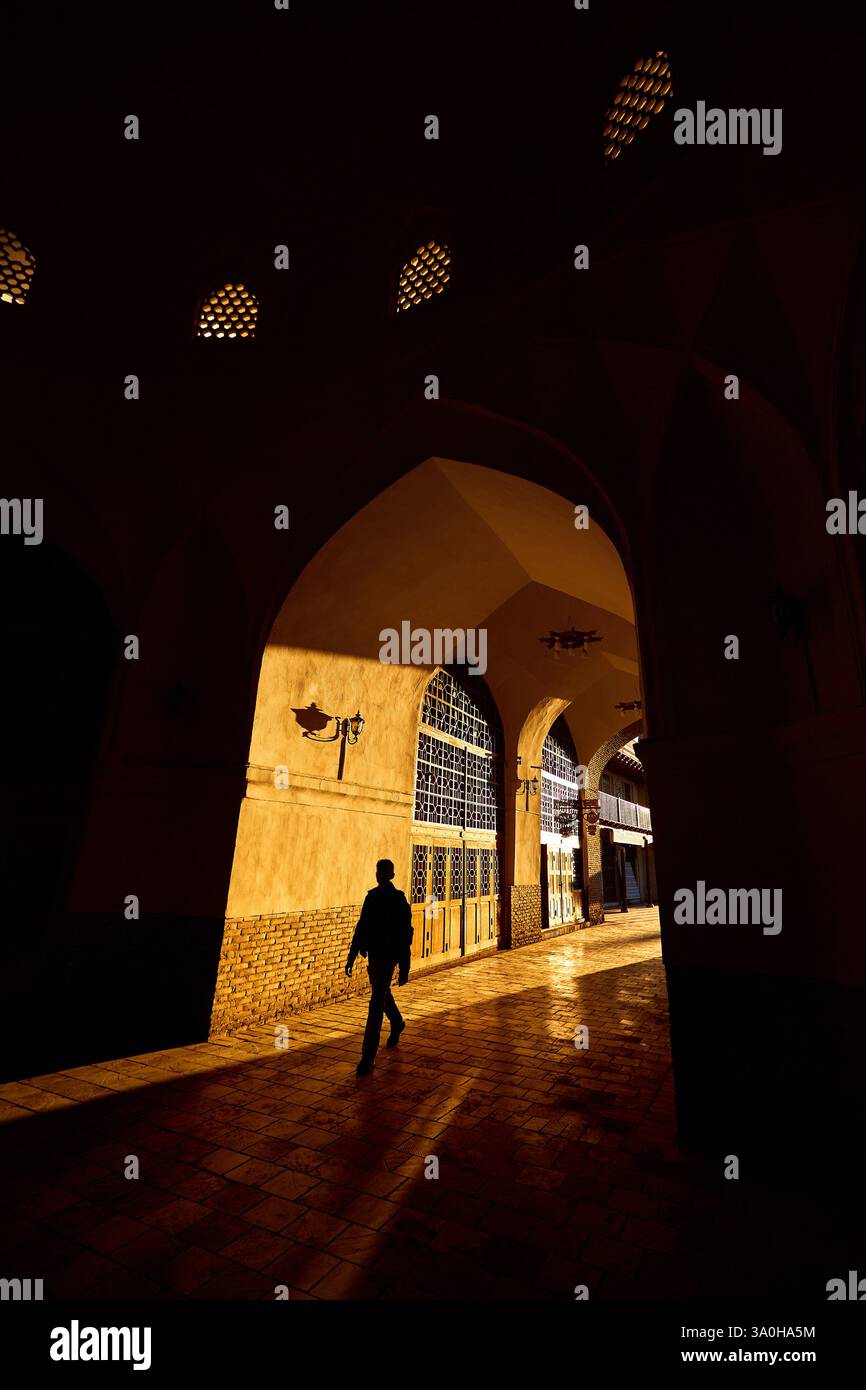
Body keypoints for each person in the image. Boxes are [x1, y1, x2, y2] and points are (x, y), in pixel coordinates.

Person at [345, 859, 413, 1076]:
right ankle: (397, 1021)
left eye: (385, 872)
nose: (381, 876)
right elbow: (362, 925)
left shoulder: (398, 900)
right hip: (374, 955)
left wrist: (404, 966)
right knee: (381, 993)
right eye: (378, 872)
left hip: (389, 955)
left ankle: (368, 1056)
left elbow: (405, 935)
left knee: (375, 1003)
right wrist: (352, 954)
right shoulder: (371, 897)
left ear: (391, 875)